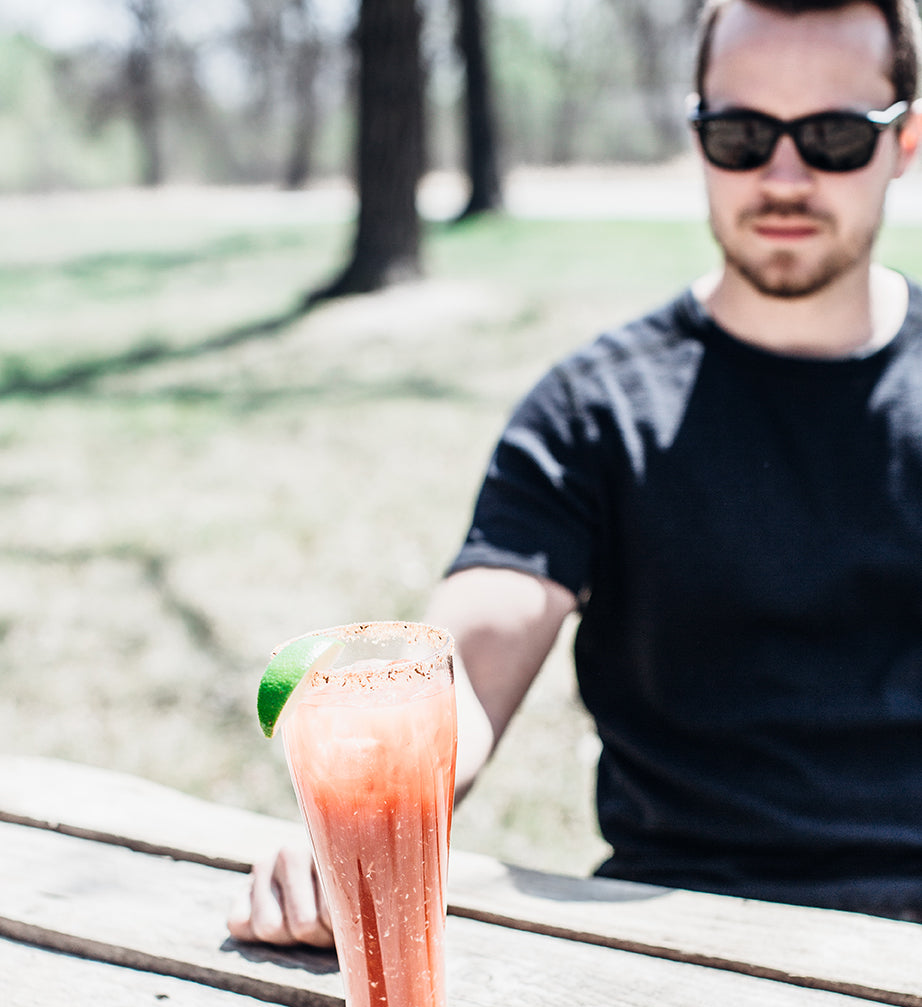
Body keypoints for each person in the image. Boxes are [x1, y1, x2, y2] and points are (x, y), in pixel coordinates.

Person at [229, 0, 922, 947]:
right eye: (741, 134)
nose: (784, 175)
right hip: (685, 929)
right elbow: (465, 662)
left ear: (906, 140)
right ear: (697, 136)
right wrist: (374, 805)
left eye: (837, 135)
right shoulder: (592, 410)